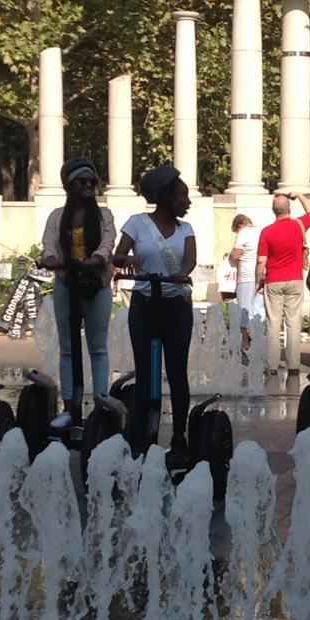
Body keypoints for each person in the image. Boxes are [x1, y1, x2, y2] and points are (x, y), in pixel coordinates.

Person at [112, 163, 197, 452]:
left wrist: (182, 274)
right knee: (146, 373)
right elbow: (118, 256)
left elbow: (190, 260)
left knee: (177, 373)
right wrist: (129, 261)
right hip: (145, 305)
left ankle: (179, 435)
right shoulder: (136, 223)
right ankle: (142, 435)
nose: (187, 201)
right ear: (165, 197)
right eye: (182, 195)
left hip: (176, 307)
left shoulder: (186, 228)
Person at [39, 158, 116, 425]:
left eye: (92, 181)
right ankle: (70, 407)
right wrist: (50, 258)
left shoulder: (104, 215)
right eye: (82, 181)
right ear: (69, 185)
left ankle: (101, 404)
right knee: (68, 348)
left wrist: (96, 258)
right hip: (66, 283)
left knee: (98, 347)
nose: (88, 185)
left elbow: (108, 242)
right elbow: (48, 243)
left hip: (97, 284)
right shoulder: (57, 217)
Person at [254, 189, 310, 384]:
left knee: (273, 324)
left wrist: (259, 281)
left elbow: (261, 261)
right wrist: (299, 195)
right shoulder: (299, 225)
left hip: (273, 280)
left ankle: (272, 365)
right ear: (289, 208)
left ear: (274, 211)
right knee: (293, 323)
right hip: (295, 279)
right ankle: (293, 365)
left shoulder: (267, 232)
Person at [229, 212, 260, 356]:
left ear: (239, 225)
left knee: (244, 310)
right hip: (260, 276)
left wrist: (231, 257)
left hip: (246, 276)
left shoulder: (244, 232)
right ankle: (259, 341)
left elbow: (236, 254)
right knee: (258, 310)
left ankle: (245, 342)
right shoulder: (261, 231)